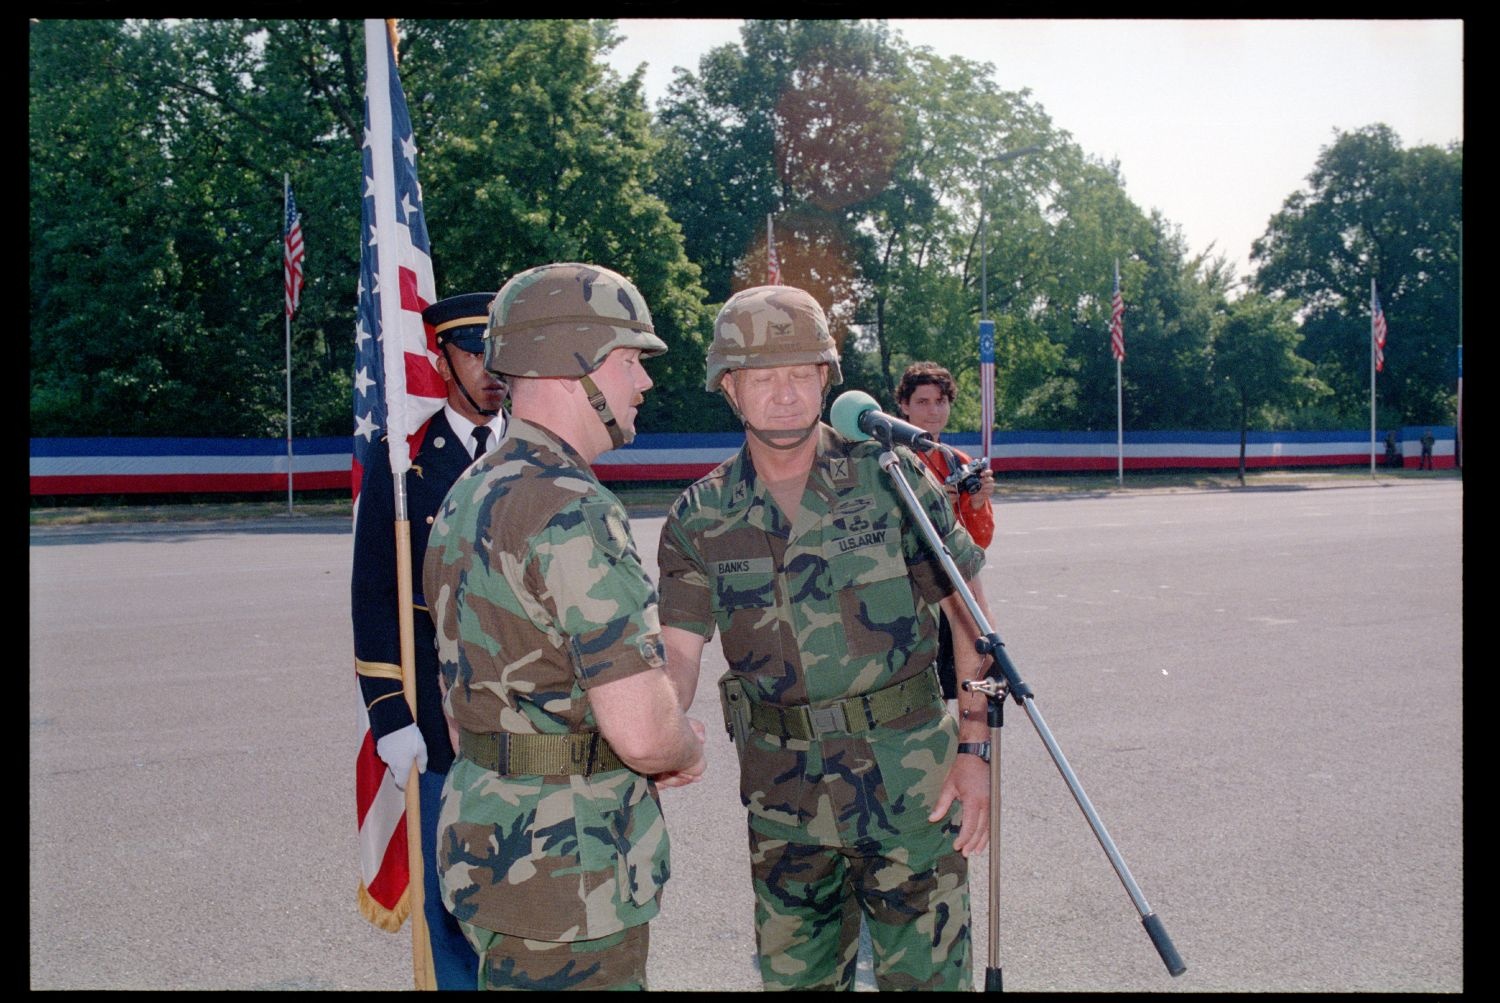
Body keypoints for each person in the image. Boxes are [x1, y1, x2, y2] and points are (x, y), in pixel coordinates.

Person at [656, 285, 995, 991]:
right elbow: (678, 652)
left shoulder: (891, 479)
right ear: (730, 388)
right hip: (786, 807)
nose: (783, 394)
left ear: (825, 379)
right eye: (762, 377)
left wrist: (974, 746)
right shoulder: (701, 516)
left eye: (800, 374)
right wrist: (655, 728)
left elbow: (972, 617)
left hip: (912, 786)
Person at [422, 263, 708, 991]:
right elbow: (643, 731)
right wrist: (684, 743)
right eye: (631, 359)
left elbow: (464, 707)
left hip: (492, 846)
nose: (643, 381)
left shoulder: (470, 491)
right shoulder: (569, 505)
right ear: (574, 362)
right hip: (569, 872)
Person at [352, 291, 507, 989]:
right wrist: (389, 713)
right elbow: (374, 596)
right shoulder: (403, 466)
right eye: (474, 354)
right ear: (441, 361)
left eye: (499, 353)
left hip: (531, 731)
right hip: (440, 735)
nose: (489, 369)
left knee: (525, 907)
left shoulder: (541, 450)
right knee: (450, 911)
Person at [896, 361, 997, 706]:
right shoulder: (889, 459)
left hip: (952, 591)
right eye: (922, 402)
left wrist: (974, 503)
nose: (933, 411)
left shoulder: (956, 460)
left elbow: (979, 542)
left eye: (940, 401)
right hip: (907, 596)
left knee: (961, 687)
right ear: (904, 406)